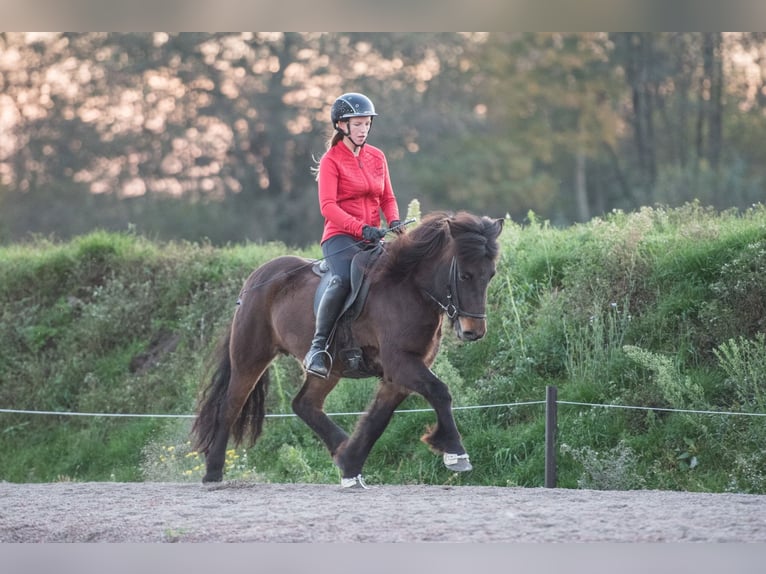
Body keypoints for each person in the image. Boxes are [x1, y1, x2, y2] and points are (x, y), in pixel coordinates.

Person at [303, 92, 404, 378]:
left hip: (373, 236)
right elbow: (328, 208)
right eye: (357, 125)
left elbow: (387, 196)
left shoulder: (377, 157)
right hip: (340, 237)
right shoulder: (331, 161)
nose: (363, 130)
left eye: (366, 124)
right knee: (345, 279)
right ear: (341, 125)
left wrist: (393, 220)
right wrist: (361, 228)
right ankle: (318, 348)